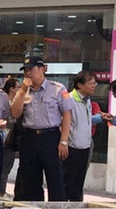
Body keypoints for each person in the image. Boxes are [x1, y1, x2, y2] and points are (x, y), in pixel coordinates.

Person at [10, 55, 74, 201]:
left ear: (42, 69)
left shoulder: (57, 89)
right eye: (25, 70)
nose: (28, 73)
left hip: (50, 136)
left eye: (31, 69)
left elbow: (67, 115)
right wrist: (22, 91)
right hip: (29, 137)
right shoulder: (22, 91)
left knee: (55, 178)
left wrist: (64, 140)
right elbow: (15, 113)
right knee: (30, 179)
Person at [63, 70, 103, 202]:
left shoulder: (88, 100)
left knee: (79, 180)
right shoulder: (69, 99)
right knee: (68, 179)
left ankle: (76, 205)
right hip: (72, 145)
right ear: (80, 85)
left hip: (85, 145)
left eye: (94, 83)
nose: (94, 86)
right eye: (90, 83)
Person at [0, 77, 19, 193]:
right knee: (4, 167)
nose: (20, 89)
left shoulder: (16, 101)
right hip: (4, 137)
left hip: (12, 138)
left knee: (8, 166)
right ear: (11, 89)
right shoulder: (4, 100)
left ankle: (2, 189)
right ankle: (1, 191)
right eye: (18, 87)